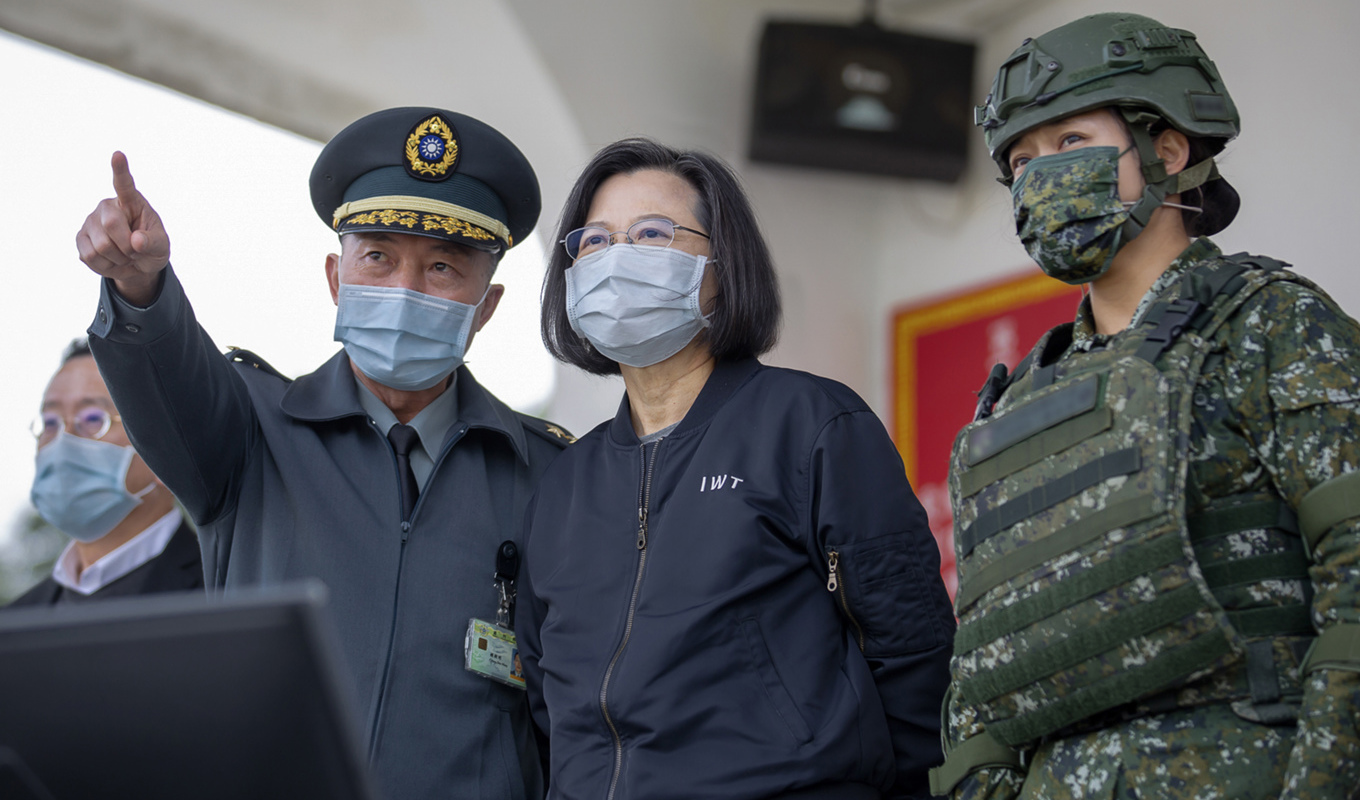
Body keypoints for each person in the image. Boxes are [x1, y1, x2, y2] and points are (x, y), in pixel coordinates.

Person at [74, 107, 572, 799]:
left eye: (441, 269)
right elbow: (164, 370)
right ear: (337, 280)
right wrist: (139, 287)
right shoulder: (248, 429)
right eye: (378, 258)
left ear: (484, 307)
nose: (404, 290)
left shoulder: (546, 476)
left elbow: (571, 717)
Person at [934, 12, 1360, 800]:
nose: (1038, 177)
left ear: (1167, 148)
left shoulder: (1270, 323)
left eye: (1069, 144)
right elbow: (982, 686)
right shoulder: (1018, 401)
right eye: (1020, 161)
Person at [518, 138, 955, 800]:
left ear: (722, 268)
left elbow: (913, 650)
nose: (617, 260)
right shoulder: (564, 483)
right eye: (595, 242)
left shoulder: (810, 423)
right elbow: (547, 703)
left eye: (652, 234)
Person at [9, 338, 202, 607]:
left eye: (92, 419)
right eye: (50, 422)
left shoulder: (225, 593)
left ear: (168, 449)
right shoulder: (14, 624)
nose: (63, 440)